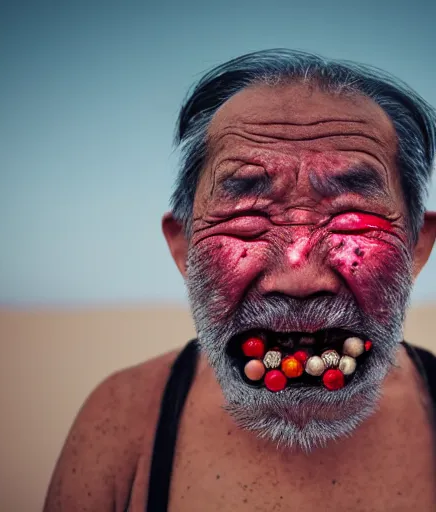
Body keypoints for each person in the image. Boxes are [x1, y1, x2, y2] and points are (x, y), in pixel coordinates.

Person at [44, 49, 436, 511]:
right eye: (248, 219)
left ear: (415, 247)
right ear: (183, 248)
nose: (299, 275)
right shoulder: (122, 420)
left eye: (351, 219)